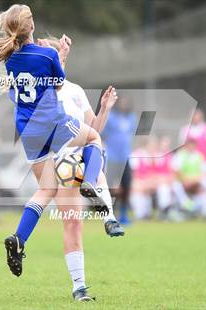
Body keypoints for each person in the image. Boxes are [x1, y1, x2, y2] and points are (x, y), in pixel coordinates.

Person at [0, 5, 117, 278]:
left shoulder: (10, 58)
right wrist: (58, 55)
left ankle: (19, 238)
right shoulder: (46, 54)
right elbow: (59, 84)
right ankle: (92, 183)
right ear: (31, 26)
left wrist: (54, 57)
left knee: (46, 190)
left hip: (29, 133)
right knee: (94, 137)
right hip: (54, 125)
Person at [36, 36, 124, 301]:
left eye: (55, 55)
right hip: (59, 160)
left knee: (96, 153)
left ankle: (108, 217)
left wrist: (104, 109)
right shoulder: (42, 90)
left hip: (81, 154)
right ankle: (79, 287)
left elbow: (93, 130)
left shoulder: (75, 90)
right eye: (50, 56)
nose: (54, 59)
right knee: (73, 223)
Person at [102, 97, 137, 225]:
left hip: (125, 157)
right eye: (121, 102)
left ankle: (123, 214)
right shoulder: (111, 117)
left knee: (126, 185)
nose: (124, 105)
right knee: (110, 187)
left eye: (126, 103)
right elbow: (102, 134)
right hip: (112, 157)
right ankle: (109, 214)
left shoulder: (131, 118)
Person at [172, 138, 206, 219]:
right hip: (183, 182)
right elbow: (176, 172)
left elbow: (204, 173)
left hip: (195, 182)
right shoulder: (180, 155)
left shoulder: (199, 156)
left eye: (193, 146)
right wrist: (185, 180)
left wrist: (193, 181)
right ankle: (186, 205)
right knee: (175, 186)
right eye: (189, 146)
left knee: (205, 187)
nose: (191, 148)